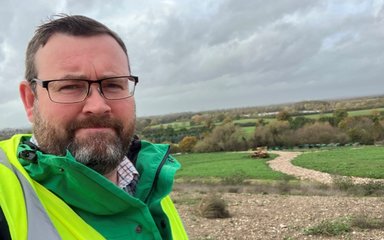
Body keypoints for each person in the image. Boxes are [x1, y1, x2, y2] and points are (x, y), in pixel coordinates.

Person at [0, 14, 188, 240]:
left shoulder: (150, 180)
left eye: (113, 84)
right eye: (70, 86)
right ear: (31, 100)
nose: (98, 106)